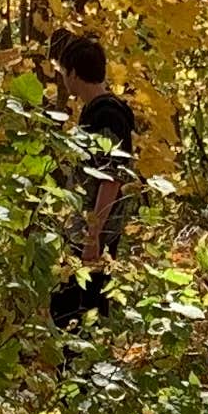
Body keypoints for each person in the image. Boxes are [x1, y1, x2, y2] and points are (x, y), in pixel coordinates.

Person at [46, 30, 137, 328]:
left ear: (73, 73)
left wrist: (92, 236)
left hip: (96, 234)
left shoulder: (107, 116)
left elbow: (110, 179)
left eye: (63, 72)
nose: (63, 79)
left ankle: (80, 370)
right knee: (71, 307)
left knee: (79, 310)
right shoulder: (94, 112)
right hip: (86, 230)